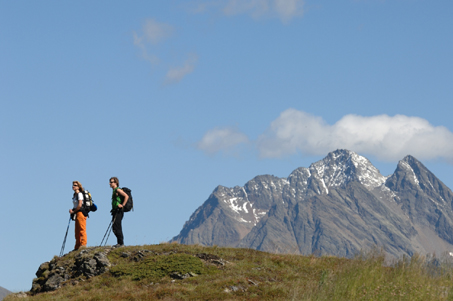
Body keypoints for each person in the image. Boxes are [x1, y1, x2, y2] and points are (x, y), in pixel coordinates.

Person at [109, 177, 129, 247]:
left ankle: (121, 243)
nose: (110, 183)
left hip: (119, 211)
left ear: (116, 183)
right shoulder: (114, 190)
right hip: (115, 211)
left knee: (117, 226)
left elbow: (126, 196)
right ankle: (119, 243)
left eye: (111, 182)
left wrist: (122, 205)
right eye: (110, 182)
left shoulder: (118, 190)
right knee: (115, 227)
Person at [70, 181, 87, 250]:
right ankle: (77, 245)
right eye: (73, 185)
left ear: (78, 187)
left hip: (80, 213)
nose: (73, 186)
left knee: (81, 229)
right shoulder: (75, 195)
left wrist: (73, 211)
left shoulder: (79, 194)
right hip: (77, 213)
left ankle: (83, 244)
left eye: (75, 185)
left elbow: (80, 205)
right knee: (77, 230)